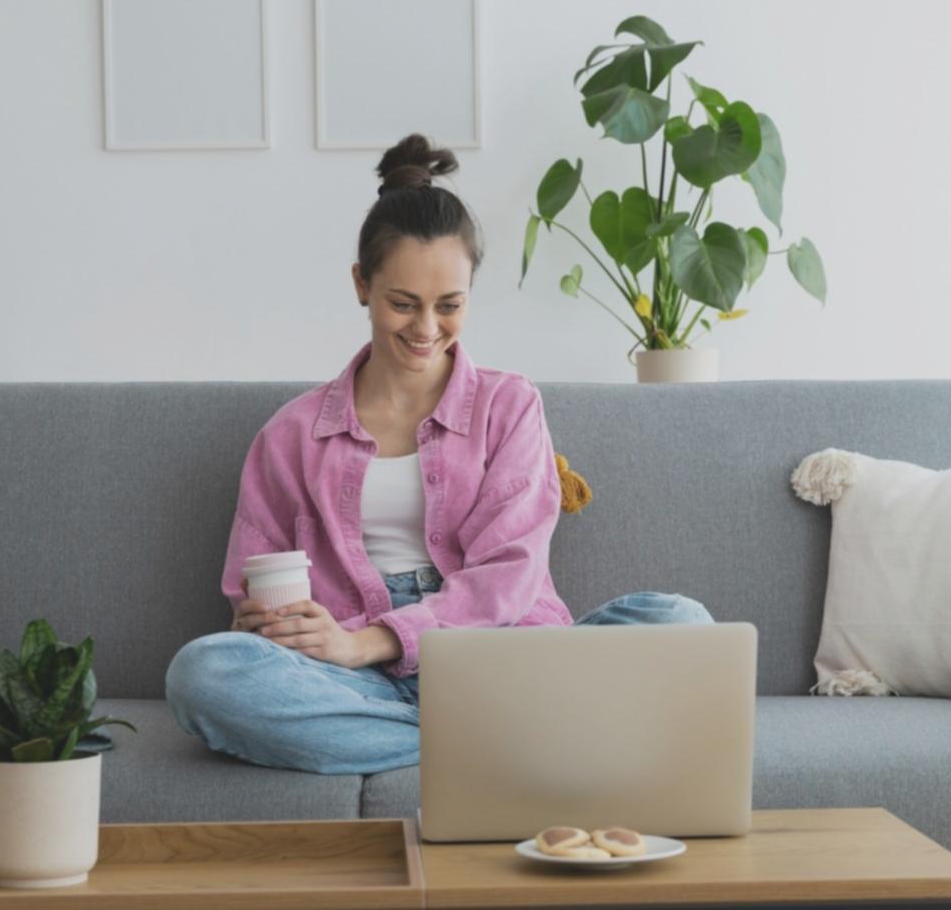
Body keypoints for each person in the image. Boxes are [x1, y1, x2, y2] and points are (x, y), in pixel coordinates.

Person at [165, 133, 713, 774]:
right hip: (357, 680)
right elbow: (247, 593)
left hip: (500, 659)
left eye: (449, 306)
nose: (426, 330)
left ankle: (441, 739)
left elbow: (509, 575)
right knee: (203, 673)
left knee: (680, 623)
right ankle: (504, 742)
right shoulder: (289, 435)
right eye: (402, 303)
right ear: (361, 285)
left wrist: (373, 641)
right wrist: (272, 624)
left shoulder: (509, 407)